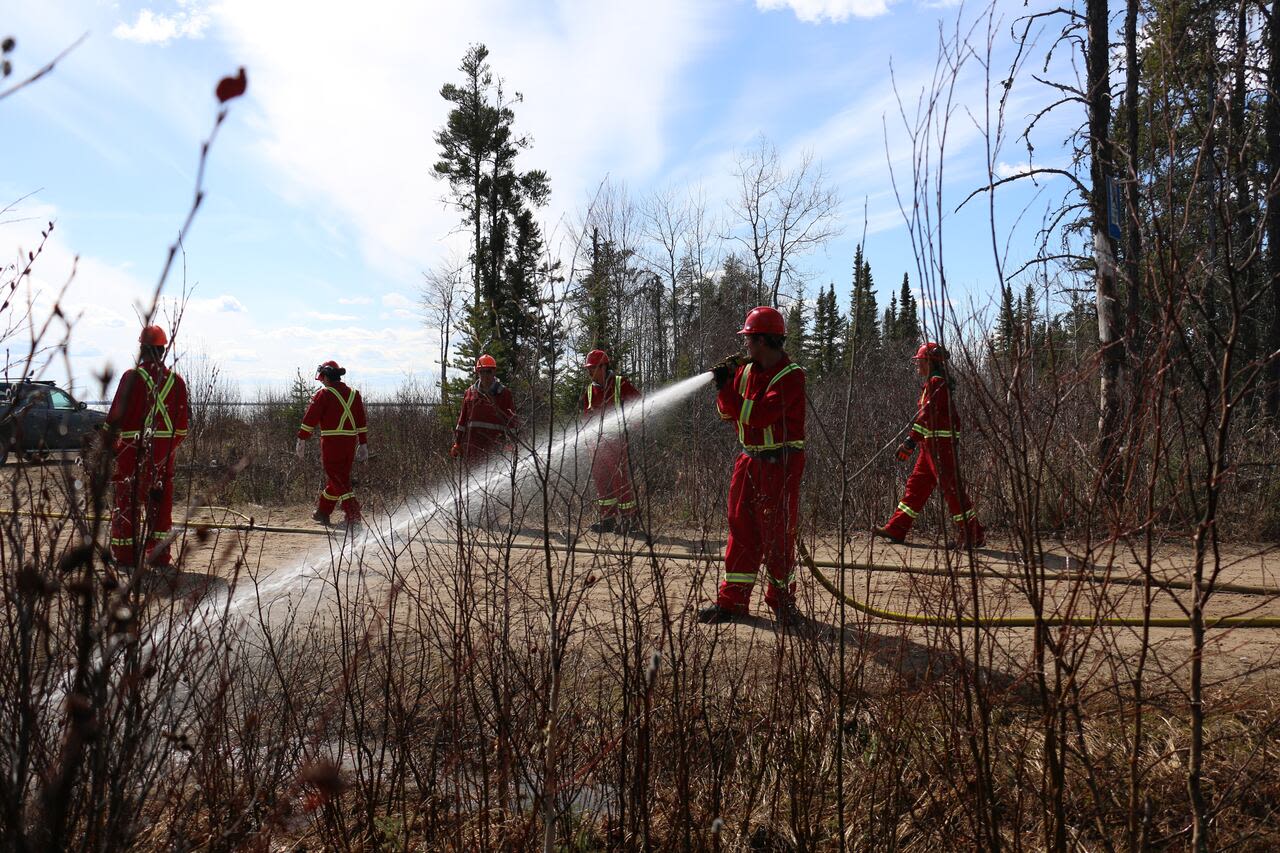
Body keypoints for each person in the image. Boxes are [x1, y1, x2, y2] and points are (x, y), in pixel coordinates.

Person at [699, 306, 806, 626]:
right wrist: (725, 385)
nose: (745, 346)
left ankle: (782, 603)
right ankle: (732, 602)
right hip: (749, 459)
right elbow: (727, 413)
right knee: (740, 528)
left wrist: (727, 392)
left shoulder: (791, 376)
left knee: (776, 533)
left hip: (780, 462)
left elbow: (759, 415)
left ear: (765, 341)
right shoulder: (744, 372)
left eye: (749, 340)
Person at [872, 342, 985, 550]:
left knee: (951, 490)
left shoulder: (937, 383)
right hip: (930, 447)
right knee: (916, 486)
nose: (917, 366)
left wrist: (910, 441)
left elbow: (927, 415)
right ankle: (897, 528)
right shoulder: (933, 384)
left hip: (940, 448)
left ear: (931, 363)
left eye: (920, 362)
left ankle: (973, 535)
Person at [107, 324, 190, 571]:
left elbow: (114, 420)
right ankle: (160, 557)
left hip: (131, 454)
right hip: (163, 458)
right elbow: (182, 429)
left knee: (127, 505)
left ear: (142, 349)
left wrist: (110, 448)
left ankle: (126, 557)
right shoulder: (177, 382)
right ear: (163, 350)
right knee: (160, 507)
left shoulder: (131, 378)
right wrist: (165, 451)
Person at [296, 360, 368, 528]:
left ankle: (353, 516)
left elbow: (310, 419)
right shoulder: (354, 394)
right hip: (350, 443)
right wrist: (363, 442)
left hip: (332, 443)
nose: (321, 381)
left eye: (322, 377)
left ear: (327, 376)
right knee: (338, 478)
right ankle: (322, 512)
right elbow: (361, 421)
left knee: (337, 479)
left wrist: (302, 438)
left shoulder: (324, 394)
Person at [580, 348, 643, 535]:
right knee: (601, 481)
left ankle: (629, 519)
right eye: (588, 369)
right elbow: (585, 417)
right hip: (595, 443)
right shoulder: (591, 390)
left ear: (603, 366)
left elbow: (638, 403)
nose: (589, 372)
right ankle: (608, 519)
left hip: (615, 440)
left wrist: (630, 423)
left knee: (619, 480)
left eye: (592, 368)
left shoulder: (619, 383)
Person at [450, 353, 519, 462]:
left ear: (494, 372)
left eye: (488, 371)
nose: (485, 375)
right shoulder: (469, 393)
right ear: (478, 372)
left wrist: (512, 444)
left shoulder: (504, 394)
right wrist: (457, 444)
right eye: (482, 372)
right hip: (472, 451)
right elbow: (462, 422)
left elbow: (511, 422)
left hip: (496, 451)